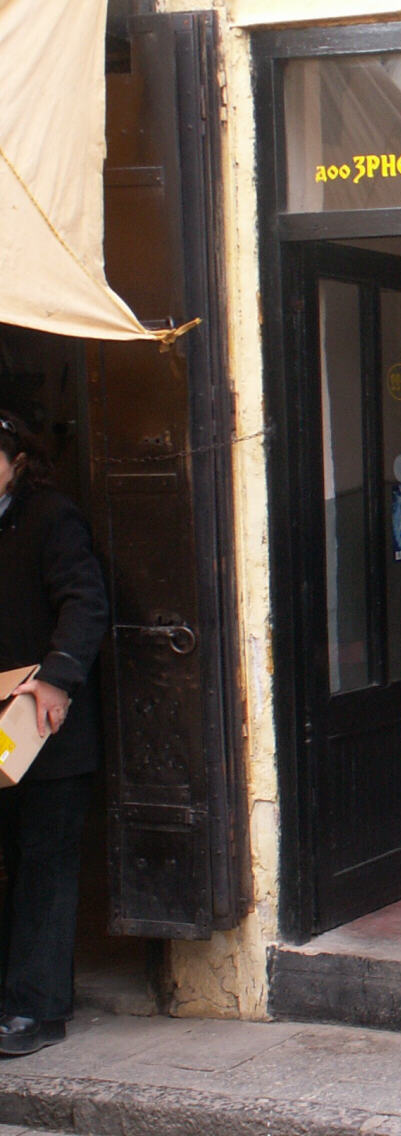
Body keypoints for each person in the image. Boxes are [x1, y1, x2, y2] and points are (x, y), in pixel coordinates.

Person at [0, 410, 109, 1056]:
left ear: (16, 458)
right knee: (11, 862)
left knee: (44, 862)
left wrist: (58, 677)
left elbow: (85, 600)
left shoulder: (51, 517)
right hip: (1, 731)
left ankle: (38, 1009)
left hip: (46, 726)